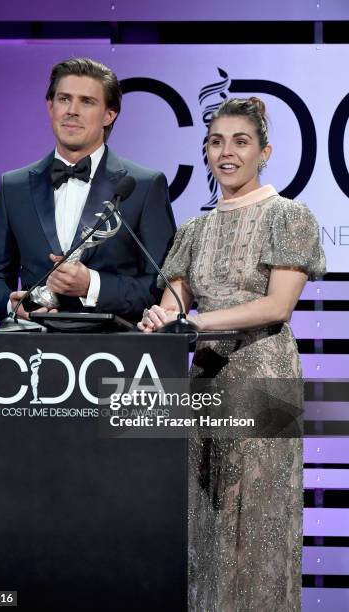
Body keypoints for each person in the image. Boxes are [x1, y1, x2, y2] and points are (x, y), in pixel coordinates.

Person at [139, 97, 326, 611]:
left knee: (259, 519)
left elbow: (278, 306)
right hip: (205, 381)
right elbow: (173, 302)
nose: (227, 152)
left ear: (263, 151)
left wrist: (195, 322)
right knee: (208, 517)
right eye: (216, 142)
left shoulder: (290, 216)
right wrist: (160, 319)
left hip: (265, 375)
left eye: (240, 141)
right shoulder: (193, 230)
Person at [0, 58, 175, 323]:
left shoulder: (144, 186)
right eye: (64, 99)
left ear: (110, 114)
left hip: (116, 352)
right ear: (50, 107)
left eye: (87, 101)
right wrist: (12, 305)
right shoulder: (14, 186)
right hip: (33, 351)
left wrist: (92, 285)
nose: (72, 110)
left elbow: (162, 289)